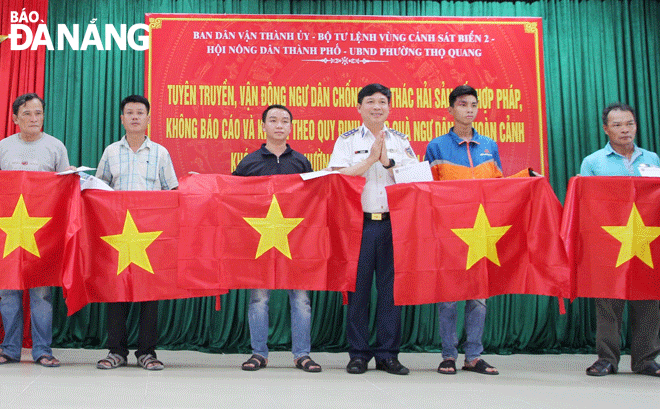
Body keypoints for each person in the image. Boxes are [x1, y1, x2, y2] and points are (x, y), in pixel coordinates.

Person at [328, 83, 417, 375]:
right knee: (359, 292)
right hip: (360, 226)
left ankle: (388, 354)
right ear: (359, 107)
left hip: (394, 225)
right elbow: (339, 178)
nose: (377, 106)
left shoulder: (401, 141)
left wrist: (388, 162)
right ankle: (358, 354)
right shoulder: (346, 140)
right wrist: (369, 161)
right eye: (370, 101)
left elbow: (414, 181)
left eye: (382, 101)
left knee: (391, 293)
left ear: (390, 107)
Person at [233, 104, 321, 373]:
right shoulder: (249, 162)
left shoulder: (301, 162)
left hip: (295, 241)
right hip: (260, 241)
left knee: (301, 300)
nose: (279, 125)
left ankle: (302, 354)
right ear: (263, 127)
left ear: (291, 127)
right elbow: (231, 197)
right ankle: (259, 353)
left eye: (284, 121)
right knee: (259, 299)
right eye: (273, 120)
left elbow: (314, 200)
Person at [95, 95, 178, 371]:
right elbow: (100, 191)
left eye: (139, 113)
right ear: (121, 118)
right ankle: (116, 351)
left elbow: (173, 193)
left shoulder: (160, 153)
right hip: (117, 232)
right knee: (116, 292)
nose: (134, 117)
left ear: (148, 118)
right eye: (129, 112)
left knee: (148, 293)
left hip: (150, 233)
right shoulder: (110, 152)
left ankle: (147, 352)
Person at [424, 85, 501, 375]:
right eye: (462, 104)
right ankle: (448, 355)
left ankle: (474, 356)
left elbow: (500, 188)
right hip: (449, 232)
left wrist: (527, 179)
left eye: (473, 104)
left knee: (479, 299)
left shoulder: (489, 146)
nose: (469, 109)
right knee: (449, 298)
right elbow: (428, 190)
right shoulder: (437, 146)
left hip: (481, 231)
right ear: (451, 110)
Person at [581, 102, 660, 377]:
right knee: (608, 302)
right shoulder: (593, 163)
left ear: (636, 125)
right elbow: (585, 205)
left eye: (629, 124)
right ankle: (607, 359)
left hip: (645, 240)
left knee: (649, 298)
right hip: (608, 243)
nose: (625, 130)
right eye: (617, 125)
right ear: (605, 129)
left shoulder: (652, 159)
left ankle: (646, 359)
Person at [0, 93, 72, 367]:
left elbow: (64, 189)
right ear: (15, 118)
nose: (34, 119)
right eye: (28, 114)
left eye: (38, 113)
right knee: (8, 291)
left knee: (41, 293)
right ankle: (9, 349)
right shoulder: (4, 147)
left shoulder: (55, 147)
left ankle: (43, 350)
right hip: (9, 232)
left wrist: (71, 177)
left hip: (43, 234)